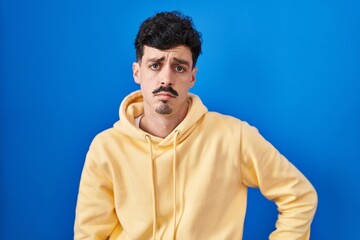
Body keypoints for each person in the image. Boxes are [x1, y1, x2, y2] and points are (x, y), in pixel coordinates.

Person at [74, 11, 317, 240]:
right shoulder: (106, 147)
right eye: (155, 65)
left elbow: (300, 197)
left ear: (192, 77)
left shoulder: (234, 137)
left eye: (178, 67)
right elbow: (89, 234)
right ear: (137, 72)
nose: (166, 79)